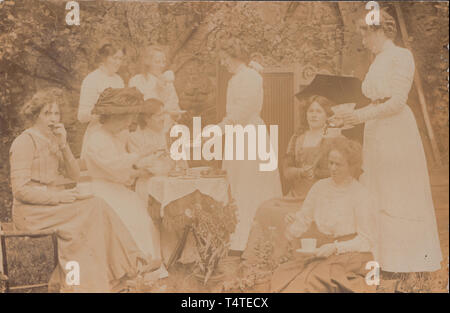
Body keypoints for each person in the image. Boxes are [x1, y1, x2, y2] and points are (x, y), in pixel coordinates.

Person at [9, 88, 154, 292]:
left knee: (98, 204)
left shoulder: (52, 140)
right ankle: (114, 272)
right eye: (47, 113)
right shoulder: (24, 142)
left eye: (56, 113)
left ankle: (125, 267)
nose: (53, 119)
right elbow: (20, 190)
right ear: (35, 116)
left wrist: (63, 145)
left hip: (50, 207)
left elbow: (74, 175)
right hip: (31, 213)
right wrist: (58, 197)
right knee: (91, 212)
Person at [332, 11, 442, 273]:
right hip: (376, 130)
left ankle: (407, 261)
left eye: (365, 33)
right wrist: (349, 118)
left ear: (380, 30)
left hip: (397, 131)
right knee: (378, 190)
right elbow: (375, 101)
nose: (363, 39)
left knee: (397, 192)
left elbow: (395, 102)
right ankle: (384, 259)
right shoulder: (377, 59)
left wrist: (357, 116)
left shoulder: (401, 57)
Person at [271, 137, 377, 293]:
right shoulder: (319, 187)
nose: (333, 168)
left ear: (351, 166)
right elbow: (303, 219)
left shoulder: (360, 194)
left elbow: (366, 240)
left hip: (351, 254)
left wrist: (335, 247)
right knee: (284, 273)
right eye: (330, 163)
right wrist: (289, 228)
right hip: (322, 252)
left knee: (314, 280)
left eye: (338, 164)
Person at [243, 95, 341, 262]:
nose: (314, 115)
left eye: (319, 111)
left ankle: (287, 257)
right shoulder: (297, 138)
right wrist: (301, 172)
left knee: (293, 217)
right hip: (295, 195)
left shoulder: (335, 139)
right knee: (265, 208)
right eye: (310, 111)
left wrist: (317, 174)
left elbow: (340, 173)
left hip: (320, 197)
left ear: (327, 116)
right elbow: (286, 171)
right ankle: (265, 257)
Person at [82, 87, 164, 276]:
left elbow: (123, 169)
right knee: (128, 217)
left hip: (116, 188)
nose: (129, 123)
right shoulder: (97, 139)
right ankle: (129, 269)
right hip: (102, 191)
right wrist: (139, 160)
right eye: (126, 118)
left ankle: (143, 268)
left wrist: (140, 167)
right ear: (113, 117)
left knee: (138, 215)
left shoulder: (115, 136)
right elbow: (115, 167)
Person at [217, 37, 283, 253]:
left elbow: (244, 108)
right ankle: (239, 237)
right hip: (238, 135)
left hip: (250, 135)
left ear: (235, 56)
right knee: (237, 185)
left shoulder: (251, 77)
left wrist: (223, 126)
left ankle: (255, 238)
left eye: (225, 58)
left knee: (251, 185)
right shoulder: (235, 78)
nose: (223, 62)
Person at [78, 43, 126, 158]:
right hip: (97, 135)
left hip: (117, 135)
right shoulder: (91, 80)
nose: (118, 62)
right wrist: (105, 112)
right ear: (104, 58)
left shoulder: (119, 80)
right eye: (114, 58)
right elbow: (82, 116)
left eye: (120, 59)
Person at [128, 45, 182, 132]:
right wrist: (157, 88)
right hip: (144, 130)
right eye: (157, 62)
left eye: (163, 62)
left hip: (165, 130)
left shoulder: (168, 83)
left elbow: (175, 107)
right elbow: (138, 107)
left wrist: (176, 115)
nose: (161, 65)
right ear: (147, 62)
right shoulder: (136, 80)